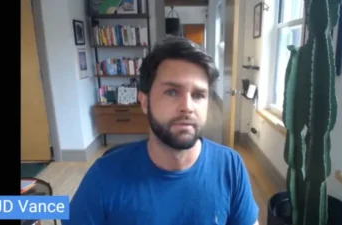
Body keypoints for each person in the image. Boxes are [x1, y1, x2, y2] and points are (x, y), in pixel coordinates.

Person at [63, 36, 259, 225]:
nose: (187, 107)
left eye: (198, 95)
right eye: (172, 92)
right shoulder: (103, 176)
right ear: (144, 102)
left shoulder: (230, 167)